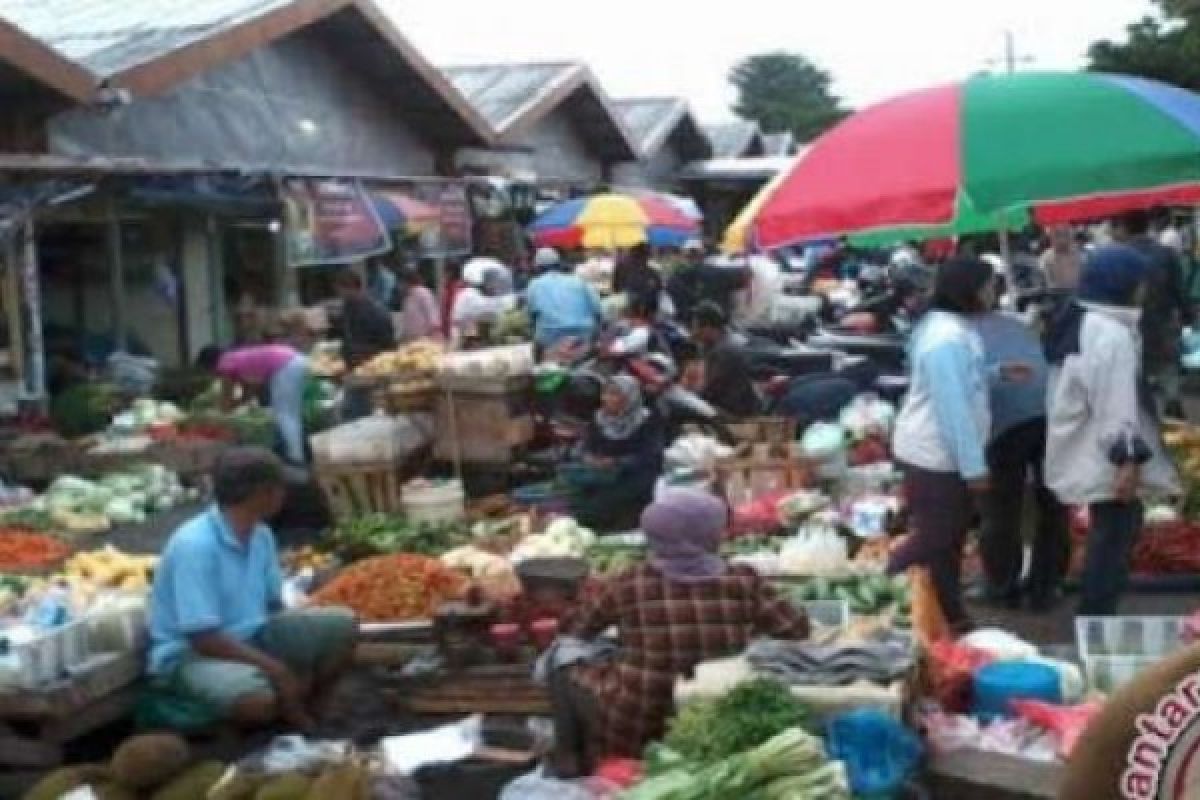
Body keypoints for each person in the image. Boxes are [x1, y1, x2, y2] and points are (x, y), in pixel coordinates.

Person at [548, 489, 808, 774]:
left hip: (636, 722)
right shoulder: (743, 580)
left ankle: (570, 757)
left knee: (559, 662)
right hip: (718, 719)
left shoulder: (630, 581)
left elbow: (575, 629)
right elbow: (796, 628)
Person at [144, 448, 356, 731]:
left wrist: (299, 652)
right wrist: (277, 669)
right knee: (257, 702)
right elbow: (203, 638)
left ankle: (310, 708)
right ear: (262, 494)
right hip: (191, 656)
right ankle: (274, 711)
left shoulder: (260, 534)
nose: (284, 495)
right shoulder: (195, 546)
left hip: (253, 634)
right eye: (279, 488)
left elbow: (273, 605)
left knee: (343, 624)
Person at [1044, 244, 1181, 616]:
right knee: (1114, 539)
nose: (1144, 290)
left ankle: (1093, 612)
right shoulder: (1111, 334)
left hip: (1085, 443)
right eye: (1140, 282)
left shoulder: (1084, 320)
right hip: (1103, 452)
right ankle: (1096, 617)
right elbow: (1115, 402)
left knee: (1110, 535)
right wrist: (1127, 460)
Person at [890, 257, 1023, 630]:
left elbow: (959, 379)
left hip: (941, 451)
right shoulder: (944, 338)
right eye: (987, 285)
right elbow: (954, 408)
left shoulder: (949, 328)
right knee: (937, 538)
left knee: (949, 544)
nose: (992, 293)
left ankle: (954, 616)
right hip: (935, 454)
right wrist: (974, 466)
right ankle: (879, 578)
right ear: (968, 290)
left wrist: (994, 372)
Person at [973, 309, 1069, 611]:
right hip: (1049, 413)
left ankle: (1002, 585)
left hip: (1006, 423)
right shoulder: (1016, 321)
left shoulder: (957, 331)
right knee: (1052, 502)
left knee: (1000, 507)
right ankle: (1047, 584)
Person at [1111, 209, 1193, 417]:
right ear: (1148, 226)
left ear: (1124, 227)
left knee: (1137, 377)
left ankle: (1145, 421)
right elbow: (1179, 290)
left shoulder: (1118, 255)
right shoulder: (1166, 254)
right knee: (1168, 373)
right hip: (1163, 324)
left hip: (1131, 327)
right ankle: (1173, 410)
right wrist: (1187, 317)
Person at [571, 376, 664, 531]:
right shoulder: (599, 419)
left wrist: (617, 462)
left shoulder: (647, 421)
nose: (606, 399)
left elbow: (651, 455)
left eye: (614, 394)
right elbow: (582, 447)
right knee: (583, 510)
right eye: (605, 394)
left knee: (607, 509)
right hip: (602, 477)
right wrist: (587, 458)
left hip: (636, 478)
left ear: (629, 398)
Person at [197, 343, 310, 466]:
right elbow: (248, 394)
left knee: (284, 414)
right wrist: (234, 405)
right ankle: (301, 452)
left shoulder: (225, 363)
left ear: (209, 364)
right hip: (296, 359)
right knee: (291, 414)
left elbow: (226, 398)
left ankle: (295, 458)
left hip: (285, 365)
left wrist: (215, 415)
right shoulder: (237, 359)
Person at [526, 247, 604, 349]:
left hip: (550, 336)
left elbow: (532, 316)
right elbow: (597, 309)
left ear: (538, 268)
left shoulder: (534, 285)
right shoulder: (578, 281)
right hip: (584, 332)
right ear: (559, 265)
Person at [691, 302, 760, 418]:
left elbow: (709, 389)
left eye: (696, 327)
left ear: (708, 328)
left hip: (732, 412)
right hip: (724, 405)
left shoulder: (724, 351)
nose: (694, 331)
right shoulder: (716, 344)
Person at [666, 239, 749, 324]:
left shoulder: (675, 278)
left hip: (697, 323)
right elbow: (745, 276)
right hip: (714, 324)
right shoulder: (718, 272)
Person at [450, 263, 517, 343]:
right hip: (464, 335)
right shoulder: (470, 294)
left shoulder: (483, 294)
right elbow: (486, 310)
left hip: (471, 333)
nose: (495, 284)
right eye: (492, 281)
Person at [396, 265, 441, 342]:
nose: (400, 286)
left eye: (401, 283)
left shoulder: (423, 293)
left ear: (407, 282)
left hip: (424, 338)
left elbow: (432, 317)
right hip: (411, 338)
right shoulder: (407, 297)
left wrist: (434, 334)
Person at [612, 242, 663, 307]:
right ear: (646, 256)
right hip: (646, 311)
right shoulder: (653, 273)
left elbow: (615, 288)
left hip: (623, 308)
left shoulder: (620, 268)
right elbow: (659, 291)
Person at [1039, 225, 1084, 290]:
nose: (1062, 239)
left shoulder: (1080, 255)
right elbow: (1046, 284)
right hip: (1057, 297)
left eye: (1066, 234)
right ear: (1051, 237)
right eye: (1058, 235)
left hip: (1080, 296)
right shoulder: (1046, 259)